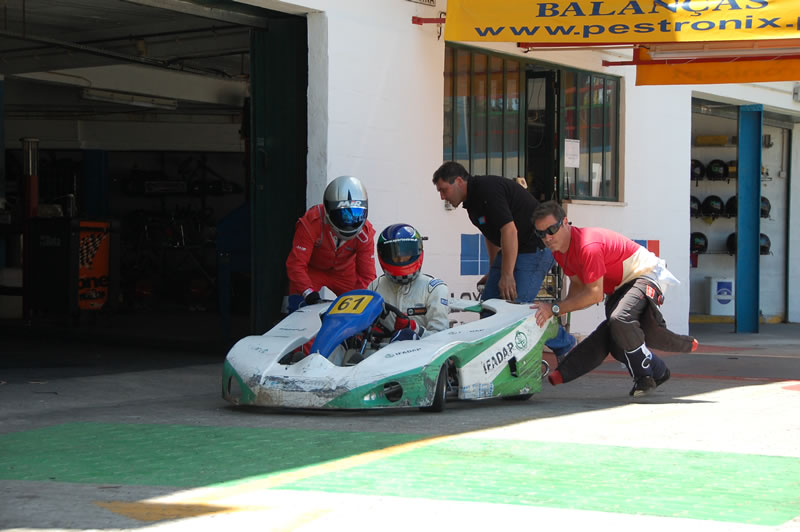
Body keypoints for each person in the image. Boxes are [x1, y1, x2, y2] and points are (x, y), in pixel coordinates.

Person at [530, 201, 698, 397]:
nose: (547, 238)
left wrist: (555, 308)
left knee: (621, 320)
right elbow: (577, 285)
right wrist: (559, 311)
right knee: (617, 338)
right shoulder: (559, 252)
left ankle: (647, 375)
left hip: (646, 274)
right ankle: (659, 371)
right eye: (541, 234)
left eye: (551, 229)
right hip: (620, 287)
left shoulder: (588, 245)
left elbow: (594, 294)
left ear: (565, 222)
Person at [432, 161, 576, 357]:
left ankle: (566, 345)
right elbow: (493, 235)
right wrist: (494, 269)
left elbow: (509, 230)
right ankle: (492, 360)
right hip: (516, 248)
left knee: (517, 310)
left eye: (444, 190)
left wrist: (507, 274)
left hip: (535, 249)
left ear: (458, 181)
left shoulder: (487, 191)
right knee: (489, 309)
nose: (442, 197)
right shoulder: (471, 203)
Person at [286, 175, 376, 311]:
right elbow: (296, 264)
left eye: (356, 214)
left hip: (345, 273)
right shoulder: (311, 222)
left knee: (363, 306)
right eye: (344, 215)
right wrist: (308, 292)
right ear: (328, 211)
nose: (350, 221)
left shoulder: (365, 232)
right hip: (313, 271)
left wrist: (357, 301)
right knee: (299, 305)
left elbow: (367, 275)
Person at [367, 223, 449, 342]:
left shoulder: (434, 289)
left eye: (406, 254)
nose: (401, 259)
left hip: (421, 357)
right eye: (395, 255)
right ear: (384, 255)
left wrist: (415, 330)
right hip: (380, 354)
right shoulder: (375, 286)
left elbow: (441, 338)